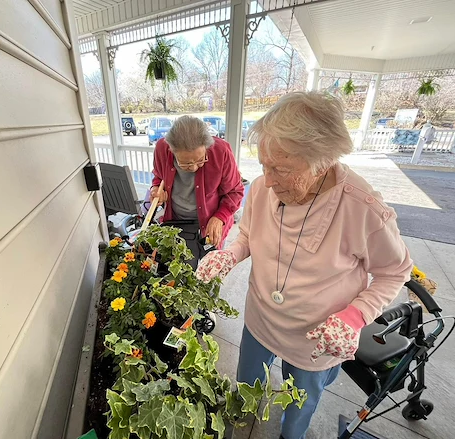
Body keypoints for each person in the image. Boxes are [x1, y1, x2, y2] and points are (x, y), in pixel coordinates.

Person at [196, 92, 413, 439]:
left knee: (300, 403)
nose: (268, 180)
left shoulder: (364, 209)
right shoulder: (264, 189)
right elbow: (249, 234)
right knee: (247, 384)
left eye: (281, 169)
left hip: (314, 335)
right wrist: (232, 253)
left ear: (322, 162)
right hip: (260, 319)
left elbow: (395, 271)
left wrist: (355, 316)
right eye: (265, 165)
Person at [150, 115, 244, 255]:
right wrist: (156, 189)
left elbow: (235, 192)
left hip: (211, 222)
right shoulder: (161, 148)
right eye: (186, 163)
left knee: (208, 269)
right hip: (176, 222)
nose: (194, 168)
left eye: (200, 160)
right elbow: (158, 176)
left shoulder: (221, 151)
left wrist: (220, 217)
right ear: (171, 150)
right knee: (179, 268)